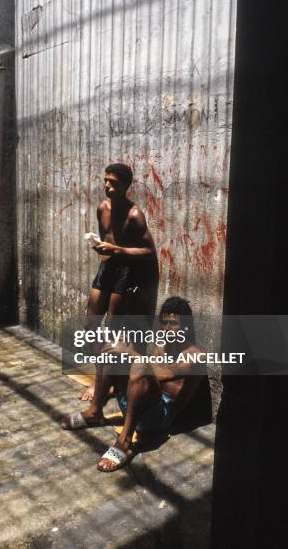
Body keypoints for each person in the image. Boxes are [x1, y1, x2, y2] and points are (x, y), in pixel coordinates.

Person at [61, 296, 207, 473]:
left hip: (161, 419)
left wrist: (130, 353)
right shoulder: (161, 346)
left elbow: (161, 374)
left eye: (173, 324)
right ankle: (94, 412)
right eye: (164, 323)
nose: (168, 329)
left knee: (138, 367)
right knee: (111, 352)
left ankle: (124, 441)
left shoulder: (195, 356)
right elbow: (149, 374)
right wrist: (104, 383)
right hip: (139, 406)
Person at [79, 163, 159, 401]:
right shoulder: (101, 208)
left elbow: (149, 251)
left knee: (113, 333)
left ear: (126, 185)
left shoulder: (135, 214)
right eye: (105, 181)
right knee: (90, 327)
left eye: (113, 182)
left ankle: (103, 385)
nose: (107, 186)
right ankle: (102, 378)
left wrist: (117, 249)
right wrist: (101, 248)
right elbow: (107, 243)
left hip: (128, 271)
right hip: (108, 268)